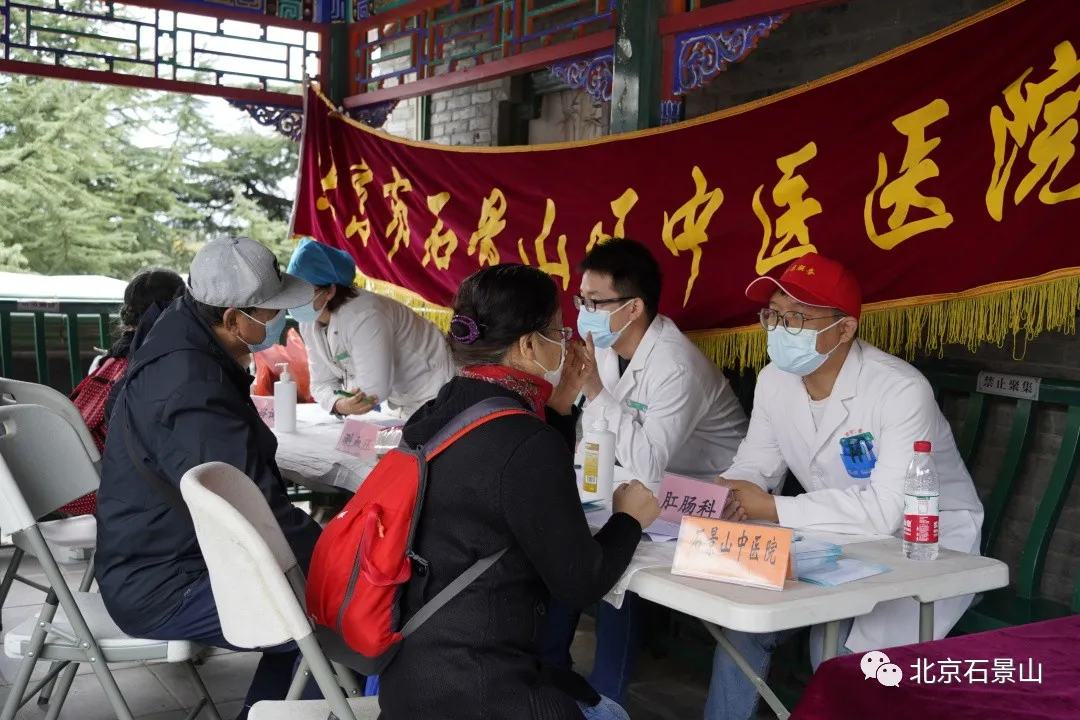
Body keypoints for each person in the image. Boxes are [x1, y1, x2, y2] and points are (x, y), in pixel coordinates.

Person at [377, 263, 661, 720]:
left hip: (412, 678)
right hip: (482, 692)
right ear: (528, 344)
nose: (565, 342)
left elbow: (522, 485)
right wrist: (628, 518)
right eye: (557, 331)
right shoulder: (524, 438)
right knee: (612, 713)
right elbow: (580, 581)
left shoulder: (436, 411)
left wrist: (561, 408)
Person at [710, 252, 984, 720]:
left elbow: (884, 514)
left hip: (921, 544)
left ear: (845, 328)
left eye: (797, 317)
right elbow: (757, 464)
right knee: (743, 622)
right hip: (832, 535)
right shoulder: (775, 378)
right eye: (774, 314)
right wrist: (723, 495)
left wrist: (772, 508)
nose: (780, 328)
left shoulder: (899, 389)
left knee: (843, 658)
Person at [94, 237, 325, 720]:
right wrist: (338, 558)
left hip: (166, 557)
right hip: (164, 580)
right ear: (233, 317)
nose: (278, 322)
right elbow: (253, 512)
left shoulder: (181, 343)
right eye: (270, 311)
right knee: (332, 620)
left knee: (323, 608)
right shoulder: (190, 384)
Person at [543, 238, 750, 703]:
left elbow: (647, 460)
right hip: (648, 484)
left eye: (595, 302)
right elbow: (596, 438)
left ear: (634, 307)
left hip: (713, 496)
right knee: (568, 534)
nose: (584, 312)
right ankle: (552, 672)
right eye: (581, 300)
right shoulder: (612, 348)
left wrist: (594, 388)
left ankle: (605, 697)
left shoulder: (677, 365)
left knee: (621, 551)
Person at [61, 269, 185, 517]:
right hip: (110, 495)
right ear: (178, 310)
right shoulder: (152, 369)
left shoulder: (107, 365)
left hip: (61, 484)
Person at [286, 237, 455, 417]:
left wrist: (343, 398)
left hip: (436, 388)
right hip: (402, 400)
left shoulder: (365, 315)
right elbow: (320, 383)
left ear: (330, 291)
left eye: (303, 292)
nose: (295, 300)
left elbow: (374, 390)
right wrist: (339, 404)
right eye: (291, 291)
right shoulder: (309, 321)